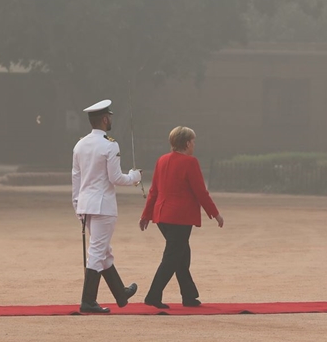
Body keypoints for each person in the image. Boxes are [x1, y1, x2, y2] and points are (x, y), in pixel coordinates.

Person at [139, 126, 224, 308]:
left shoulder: (161, 160)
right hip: (179, 217)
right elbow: (200, 192)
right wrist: (215, 214)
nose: (194, 145)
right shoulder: (190, 163)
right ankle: (153, 295)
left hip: (162, 216)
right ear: (187, 143)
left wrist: (146, 214)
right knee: (173, 256)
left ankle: (189, 295)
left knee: (181, 254)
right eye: (193, 142)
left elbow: (154, 190)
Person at [72, 99, 142, 314]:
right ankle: (88, 301)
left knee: (104, 252)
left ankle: (120, 294)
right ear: (104, 119)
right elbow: (116, 178)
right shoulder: (110, 144)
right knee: (97, 252)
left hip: (86, 204)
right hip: (103, 206)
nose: (110, 119)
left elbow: (76, 177)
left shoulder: (80, 144)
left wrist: (77, 204)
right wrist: (134, 177)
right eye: (109, 116)